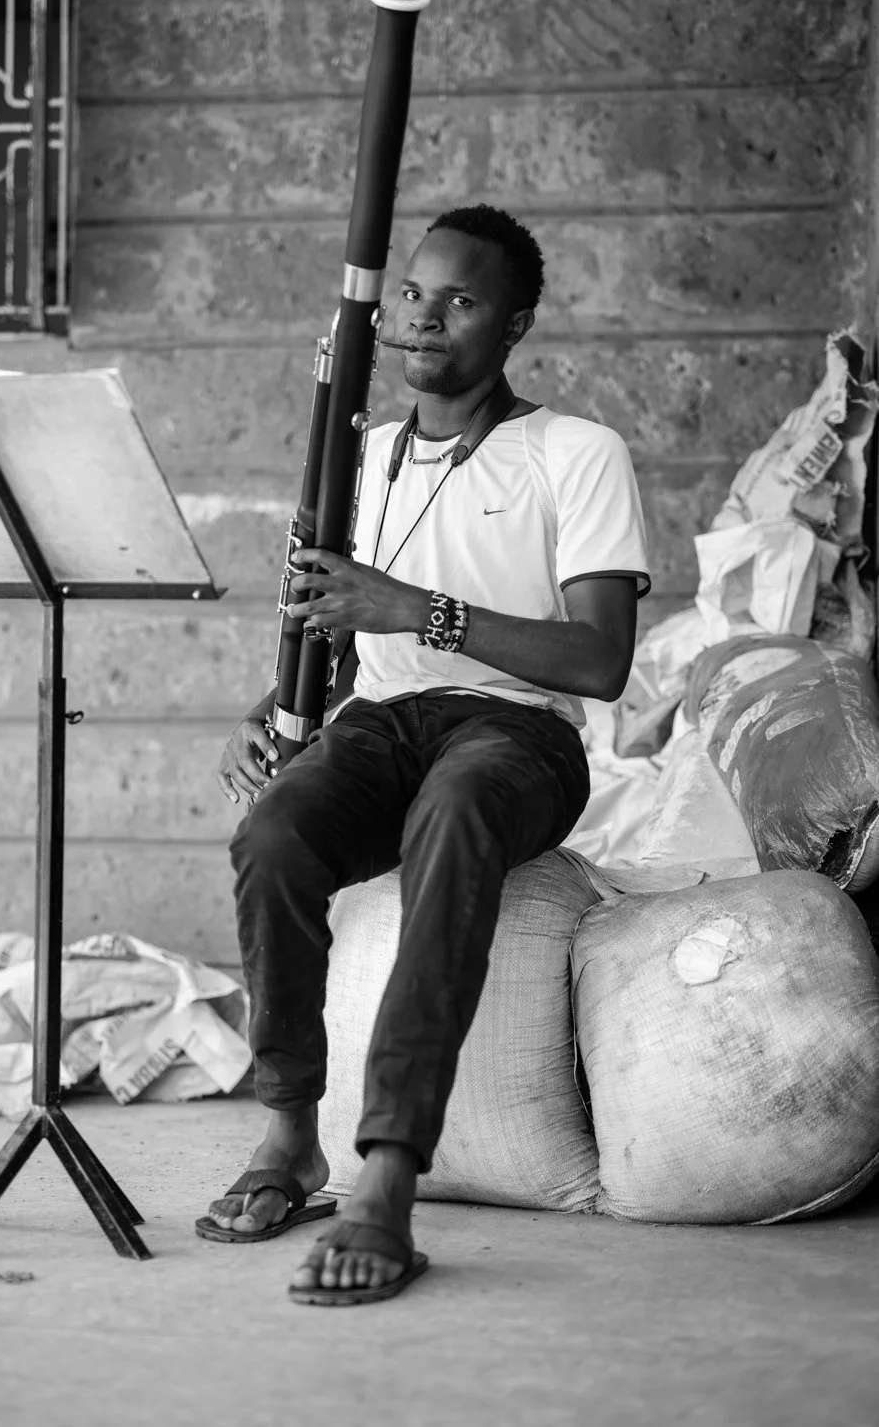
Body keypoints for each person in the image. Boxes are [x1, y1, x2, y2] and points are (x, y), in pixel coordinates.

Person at [196, 204, 650, 1304]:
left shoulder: (574, 454)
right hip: (379, 724)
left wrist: (417, 610)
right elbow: (343, 642)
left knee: (457, 809)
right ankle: (291, 1135)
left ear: (517, 323)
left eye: (460, 299)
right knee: (274, 830)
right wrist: (276, 704)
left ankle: (388, 1177)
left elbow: (597, 662)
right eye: (411, 293)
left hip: (517, 733)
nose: (423, 316)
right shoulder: (356, 457)